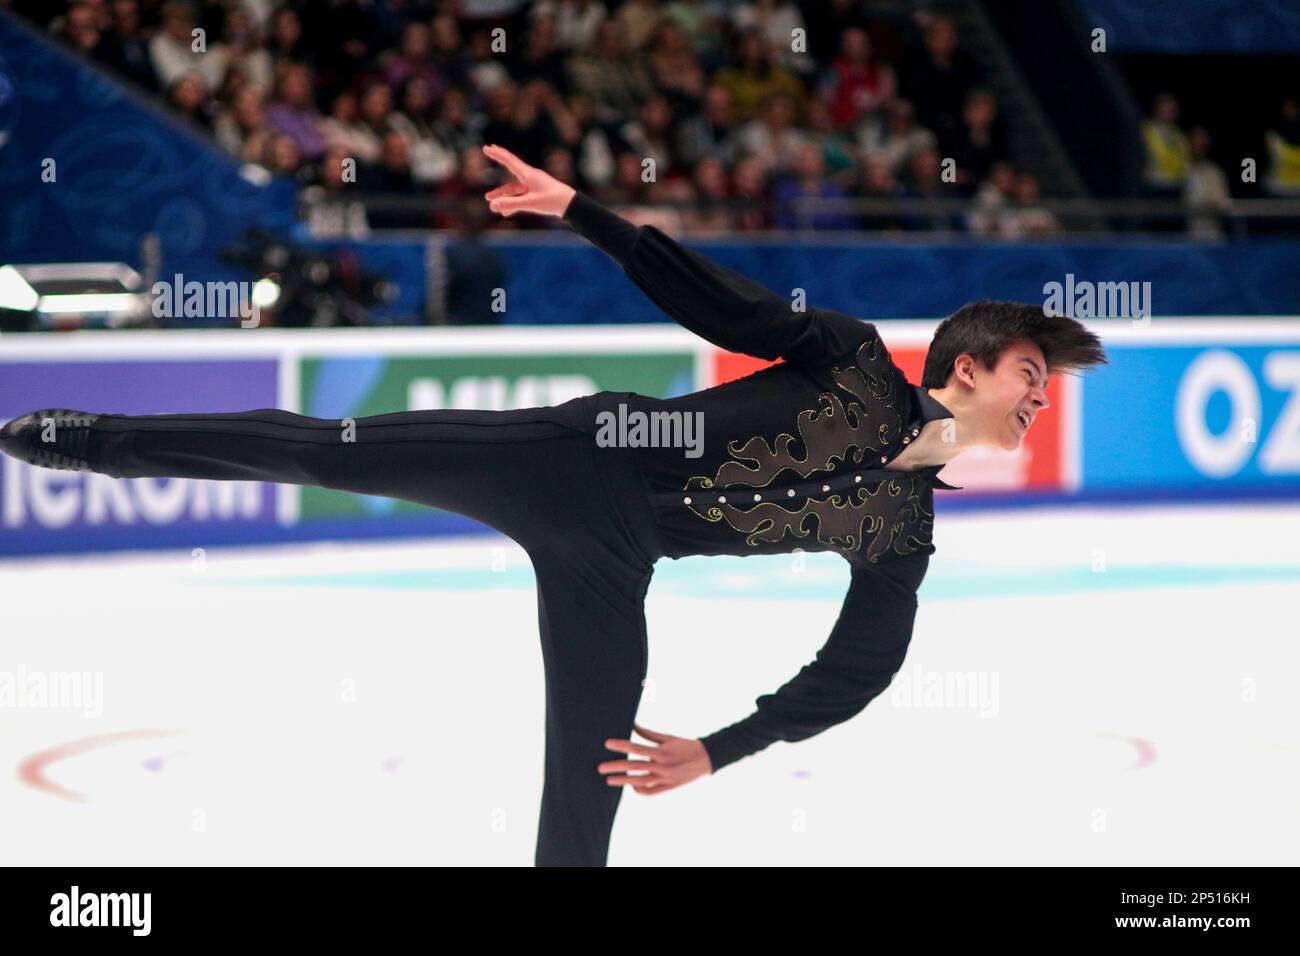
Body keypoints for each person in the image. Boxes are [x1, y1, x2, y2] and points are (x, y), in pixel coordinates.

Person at [0, 144, 1107, 867]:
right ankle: (93, 437)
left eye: (1047, 387)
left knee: (590, 771)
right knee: (328, 448)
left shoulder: (904, 530)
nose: (1038, 396)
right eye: (1028, 373)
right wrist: (584, 211)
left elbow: (859, 667)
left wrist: (721, 748)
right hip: (574, 459)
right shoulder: (854, 358)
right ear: (964, 368)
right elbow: (713, 298)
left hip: (615, 562)